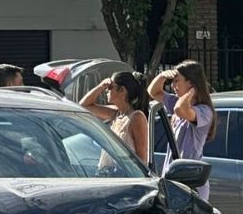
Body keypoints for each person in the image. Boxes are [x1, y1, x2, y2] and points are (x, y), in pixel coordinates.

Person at [147, 59, 217, 200]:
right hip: (172, 179)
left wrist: (192, 93)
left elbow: (180, 110)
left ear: (191, 83)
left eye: (177, 81)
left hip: (191, 182)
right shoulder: (176, 101)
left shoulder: (204, 111)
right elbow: (153, 91)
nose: (173, 86)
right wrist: (162, 76)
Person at [79, 71, 150, 165]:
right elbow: (84, 106)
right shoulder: (116, 113)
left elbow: (142, 160)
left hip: (125, 177)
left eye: (110, 87)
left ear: (122, 90)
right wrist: (101, 86)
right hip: (108, 175)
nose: (106, 91)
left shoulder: (136, 117)